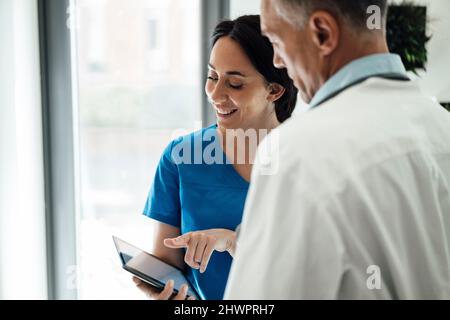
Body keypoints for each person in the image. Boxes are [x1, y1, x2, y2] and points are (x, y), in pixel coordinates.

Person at [225, 0, 450, 299]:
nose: (277, 60)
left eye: (277, 41)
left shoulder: (296, 152)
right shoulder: (442, 126)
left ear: (322, 33)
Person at [133, 14, 297, 300]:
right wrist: (160, 290)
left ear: (274, 90)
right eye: (212, 77)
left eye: (234, 84)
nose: (215, 94)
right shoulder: (182, 157)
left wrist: (234, 242)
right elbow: (169, 264)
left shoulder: (308, 157)